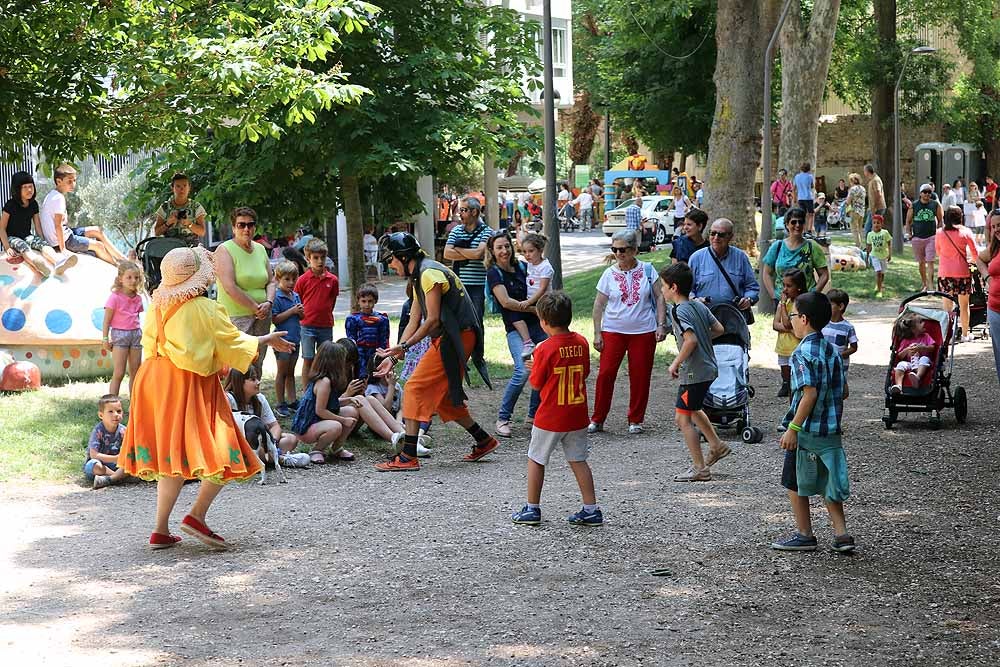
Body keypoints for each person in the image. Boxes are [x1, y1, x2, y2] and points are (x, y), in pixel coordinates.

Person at [116, 246, 295, 550]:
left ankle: (160, 529)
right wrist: (267, 338)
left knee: (172, 455)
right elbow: (233, 343)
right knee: (223, 448)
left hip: (154, 381)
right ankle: (196, 516)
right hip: (188, 383)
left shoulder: (158, 305)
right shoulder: (205, 309)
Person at [373, 232, 496, 471]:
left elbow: (431, 321)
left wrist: (405, 347)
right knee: (445, 399)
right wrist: (395, 355)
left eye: (391, 261)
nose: (390, 266)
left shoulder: (429, 275)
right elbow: (414, 320)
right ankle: (484, 440)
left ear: (403, 256)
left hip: (457, 337)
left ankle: (408, 456)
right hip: (453, 336)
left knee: (414, 387)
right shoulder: (421, 276)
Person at [772, 291, 854, 553]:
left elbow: (809, 393)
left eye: (793, 315)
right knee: (830, 481)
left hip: (806, 431)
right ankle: (842, 535)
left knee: (794, 481)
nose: (791, 320)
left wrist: (793, 429)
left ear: (804, 319)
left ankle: (805, 534)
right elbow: (844, 391)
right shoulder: (832, 349)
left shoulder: (800, 354)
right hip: (830, 431)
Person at [511, 291, 601, 526]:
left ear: (543, 321)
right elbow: (585, 372)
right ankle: (591, 509)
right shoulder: (581, 342)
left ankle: (532, 508)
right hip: (577, 413)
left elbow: (536, 383)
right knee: (578, 460)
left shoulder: (544, 348)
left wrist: (534, 366)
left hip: (551, 416)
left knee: (536, 459)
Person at [589, 230, 667, 435]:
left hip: (643, 330)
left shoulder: (649, 270)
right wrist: (597, 333)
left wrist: (661, 324)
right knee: (605, 374)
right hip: (613, 329)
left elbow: (660, 297)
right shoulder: (608, 274)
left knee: (640, 376)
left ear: (634, 250)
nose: (618, 253)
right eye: (614, 249)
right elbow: (598, 304)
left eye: (622, 249)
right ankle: (597, 418)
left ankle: (636, 419)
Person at [660, 263, 730, 482]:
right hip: (708, 368)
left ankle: (700, 468)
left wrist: (675, 363)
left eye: (663, 286)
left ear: (673, 287)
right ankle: (716, 445)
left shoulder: (678, 311)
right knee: (693, 409)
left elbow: (690, 341)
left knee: (682, 419)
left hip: (694, 373)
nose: (661, 290)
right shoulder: (698, 306)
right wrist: (701, 337)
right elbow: (719, 329)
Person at [486, 232, 546, 438]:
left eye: (506, 246)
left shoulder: (522, 266)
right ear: (492, 252)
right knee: (522, 371)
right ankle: (503, 418)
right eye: (499, 248)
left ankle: (533, 415)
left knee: (543, 367)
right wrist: (531, 308)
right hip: (515, 328)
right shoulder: (494, 273)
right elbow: (505, 302)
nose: (504, 251)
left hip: (537, 325)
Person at [215, 206, 276, 376]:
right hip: (237, 316)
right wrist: (255, 307)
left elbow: (271, 281)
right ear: (234, 227)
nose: (246, 229)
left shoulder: (261, 249)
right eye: (241, 225)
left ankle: (254, 401)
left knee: (258, 362)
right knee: (238, 366)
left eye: (250, 225)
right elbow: (229, 287)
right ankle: (235, 401)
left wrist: (268, 303)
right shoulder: (224, 250)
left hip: (263, 315)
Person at [40, 164, 126, 265]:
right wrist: (63, 250)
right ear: (59, 181)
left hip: (66, 234)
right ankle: (118, 266)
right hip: (64, 241)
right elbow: (57, 225)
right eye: (69, 181)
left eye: (74, 180)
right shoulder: (58, 198)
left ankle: (122, 258)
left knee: (97, 230)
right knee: (99, 246)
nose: (73, 184)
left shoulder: (52, 194)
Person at [290, 341, 357, 464]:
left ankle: (337, 448)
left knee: (351, 411)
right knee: (336, 426)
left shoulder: (330, 379)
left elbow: (330, 403)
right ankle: (317, 450)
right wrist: (343, 420)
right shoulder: (324, 382)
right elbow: (320, 411)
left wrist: (348, 400)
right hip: (308, 426)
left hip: (319, 421)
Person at [1, 171, 76, 278]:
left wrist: (42, 240)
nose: (29, 190)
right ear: (17, 189)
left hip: (27, 236)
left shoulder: (33, 204)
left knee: (42, 244)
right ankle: (37, 263)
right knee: (23, 247)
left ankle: (59, 261)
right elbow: (1, 228)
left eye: (31, 186)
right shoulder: (10, 205)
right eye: (25, 187)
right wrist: (7, 247)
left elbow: (37, 225)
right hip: (12, 238)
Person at [224, 366, 305, 464]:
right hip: (238, 444)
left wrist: (271, 442)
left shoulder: (259, 399)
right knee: (253, 450)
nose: (258, 382)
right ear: (240, 382)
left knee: (290, 439)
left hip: (260, 441)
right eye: (253, 379)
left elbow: (274, 426)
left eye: (257, 378)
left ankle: (268, 458)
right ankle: (281, 460)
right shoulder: (228, 399)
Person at [689, 218, 759, 323]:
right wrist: (695, 300)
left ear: (730, 236)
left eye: (721, 234)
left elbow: (752, 287)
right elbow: (687, 290)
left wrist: (748, 299)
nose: (716, 238)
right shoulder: (696, 258)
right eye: (712, 233)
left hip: (734, 321)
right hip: (705, 320)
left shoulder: (740, 257)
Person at [295, 237, 340, 389]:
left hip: (325, 325)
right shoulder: (302, 280)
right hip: (307, 326)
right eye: (315, 258)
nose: (320, 261)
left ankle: (323, 390)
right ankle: (307, 391)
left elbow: (331, 301)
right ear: (308, 258)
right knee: (308, 359)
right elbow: (298, 301)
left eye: (322, 257)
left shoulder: (333, 280)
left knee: (326, 360)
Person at [761, 207, 830, 301]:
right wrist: (774, 295)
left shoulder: (812, 246)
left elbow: (824, 274)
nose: (797, 225)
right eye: (793, 222)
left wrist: (814, 293)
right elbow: (766, 273)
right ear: (786, 224)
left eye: (800, 222)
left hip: (806, 302)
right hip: (782, 301)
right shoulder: (777, 247)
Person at [444, 196, 492, 324]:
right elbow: (447, 253)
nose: (459, 214)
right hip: (458, 284)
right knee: (458, 321)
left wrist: (458, 249)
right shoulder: (456, 230)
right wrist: (471, 253)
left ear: (474, 212)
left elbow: (478, 254)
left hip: (478, 286)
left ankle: (477, 344)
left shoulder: (487, 232)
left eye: (463, 210)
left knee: (475, 321)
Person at [936, 206, 979, 342]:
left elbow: (938, 252)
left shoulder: (939, 233)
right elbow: (975, 254)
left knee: (947, 306)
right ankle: (965, 334)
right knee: (964, 304)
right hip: (962, 272)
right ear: (961, 217)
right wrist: (969, 261)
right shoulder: (966, 232)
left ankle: (947, 335)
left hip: (945, 272)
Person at [102, 260, 145, 396]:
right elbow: (106, 321)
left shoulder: (138, 298)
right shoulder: (114, 298)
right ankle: (112, 402)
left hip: (136, 335)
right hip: (120, 336)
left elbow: (136, 317)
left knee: (136, 372)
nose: (133, 281)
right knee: (119, 373)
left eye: (136, 277)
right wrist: (105, 339)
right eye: (129, 277)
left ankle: (135, 406)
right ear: (121, 279)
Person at [271, 260, 304, 417]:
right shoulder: (276, 297)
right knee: (282, 373)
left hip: (295, 339)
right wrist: (292, 311)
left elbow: (301, 316)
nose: (291, 283)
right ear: (278, 279)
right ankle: (280, 402)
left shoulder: (295, 296)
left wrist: (300, 312)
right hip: (282, 341)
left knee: (291, 372)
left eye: (293, 279)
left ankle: (292, 401)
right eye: (287, 279)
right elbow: (275, 319)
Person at [345, 283, 390, 380]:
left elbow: (384, 339)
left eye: (370, 301)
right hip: (360, 353)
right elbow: (351, 340)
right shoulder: (353, 319)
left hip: (376, 352)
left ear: (375, 301)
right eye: (363, 301)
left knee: (376, 376)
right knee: (361, 375)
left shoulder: (382, 319)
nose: (367, 304)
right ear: (358, 301)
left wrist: (384, 355)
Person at [774, 269, 807, 398]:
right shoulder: (784, 302)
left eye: (789, 286)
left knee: (797, 379)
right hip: (783, 346)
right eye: (784, 286)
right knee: (786, 374)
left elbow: (786, 323)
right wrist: (793, 330)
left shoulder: (801, 303)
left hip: (796, 347)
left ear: (798, 287)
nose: (784, 290)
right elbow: (775, 324)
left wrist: (782, 305)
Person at [976, 210, 1000, 385]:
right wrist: (987, 277)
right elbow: (979, 259)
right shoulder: (994, 249)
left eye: (999, 225)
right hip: (995, 310)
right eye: (993, 227)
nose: (996, 229)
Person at [85, 395, 129, 490]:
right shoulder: (98, 431)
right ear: (101, 415)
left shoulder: (124, 431)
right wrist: (115, 458)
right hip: (101, 465)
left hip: (118, 465)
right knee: (93, 465)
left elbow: (129, 451)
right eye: (110, 412)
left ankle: (110, 479)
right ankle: (117, 477)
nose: (116, 414)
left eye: (119, 411)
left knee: (133, 462)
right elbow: (94, 455)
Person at [906, 184, 943, 292]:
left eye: (929, 192)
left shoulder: (935, 204)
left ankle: (931, 285)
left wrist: (939, 232)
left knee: (930, 261)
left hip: (931, 236)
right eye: (925, 192)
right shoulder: (914, 205)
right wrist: (909, 233)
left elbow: (941, 220)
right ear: (920, 193)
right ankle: (924, 284)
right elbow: (908, 221)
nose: (927, 194)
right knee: (921, 262)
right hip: (917, 237)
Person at [822, 289, 858, 400]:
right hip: (824, 362)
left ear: (840, 306)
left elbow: (854, 347)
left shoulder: (848, 327)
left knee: (838, 389)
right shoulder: (823, 323)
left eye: (830, 305)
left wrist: (841, 354)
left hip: (839, 365)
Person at [888, 313, 936, 394]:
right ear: (913, 329)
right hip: (910, 363)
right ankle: (898, 386)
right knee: (901, 364)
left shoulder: (926, 336)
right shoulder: (906, 340)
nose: (924, 323)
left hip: (922, 364)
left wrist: (923, 348)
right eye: (920, 322)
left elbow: (933, 348)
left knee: (924, 359)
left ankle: (917, 377)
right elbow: (900, 355)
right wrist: (907, 350)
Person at [153, 172, 207, 244]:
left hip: (190, 248)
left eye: (184, 186)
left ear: (189, 188)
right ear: (172, 188)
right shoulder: (165, 207)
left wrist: (189, 224)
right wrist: (168, 223)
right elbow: (157, 232)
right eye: (178, 186)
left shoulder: (196, 207)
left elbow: (202, 232)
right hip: (169, 248)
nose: (182, 189)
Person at [865, 214, 892, 297]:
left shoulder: (885, 233)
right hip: (874, 256)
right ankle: (879, 290)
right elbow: (868, 246)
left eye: (878, 223)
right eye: (874, 223)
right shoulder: (870, 234)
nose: (876, 225)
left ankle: (880, 284)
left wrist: (890, 254)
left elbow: (889, 243)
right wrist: (867, 256)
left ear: (882, 224)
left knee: (882, 273)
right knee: (878, 272)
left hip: (883, 256)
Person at [863, 164, 886, 238]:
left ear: (867, 171)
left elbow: (878, 193)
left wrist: (874, 207)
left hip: (877, 208)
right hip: (874, 207)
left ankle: (868, 246)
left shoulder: (875, 180)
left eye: (864, 171)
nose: (864, 173)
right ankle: (872, 245)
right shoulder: (872, 180)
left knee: (868, 228)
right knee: (872, 228)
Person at [845, 172, 867, 247]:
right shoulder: (863, 188)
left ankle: (858, 245)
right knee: (860, 229)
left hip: (854, 210)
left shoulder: (852, 189)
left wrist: (845, 208)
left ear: (852, 181)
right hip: (862, 211)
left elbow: (848, 201)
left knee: (854, 229)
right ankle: (861, 245)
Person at [794, 163, 816, 234]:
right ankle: (809, 229)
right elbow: (812, 186)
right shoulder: (810, 176)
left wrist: (795, 197)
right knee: (811, 214)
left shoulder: (797, 177)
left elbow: (794, 188)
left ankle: (803, 229)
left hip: (800, 197)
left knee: (802, 214)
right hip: (808, 197)